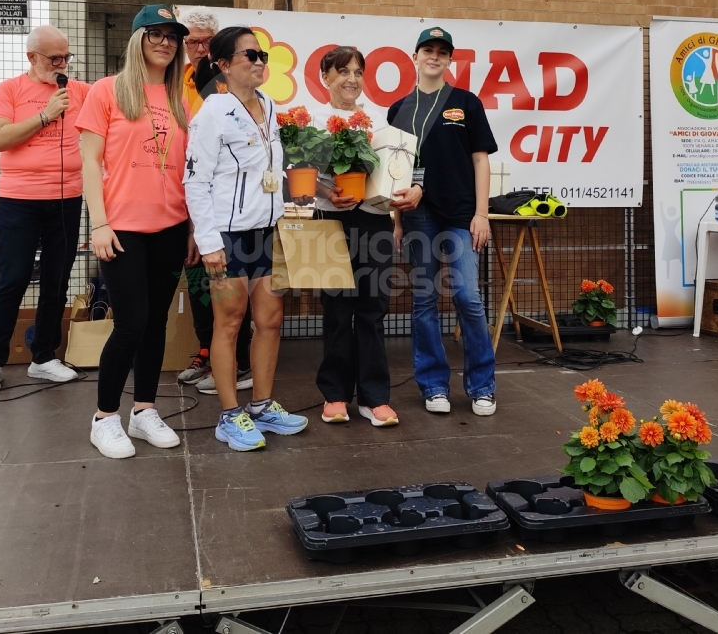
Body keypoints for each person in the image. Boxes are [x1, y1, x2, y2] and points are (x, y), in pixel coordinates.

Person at [183, 25, 308, 451]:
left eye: (262, 56)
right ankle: (229, 415)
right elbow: (195, 182)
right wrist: (209, 241)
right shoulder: (212, 111)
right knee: (229, 324)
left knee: (270, 322)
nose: (259, 62)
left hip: (268, 233)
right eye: (249, 56)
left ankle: (262, 406)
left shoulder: (270, 106)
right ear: (222, 65)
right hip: (228, 237)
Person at [77, 5, 193, 458]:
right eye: (155, 34)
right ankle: (104, 417)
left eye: (172, 36)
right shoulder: (106, 92)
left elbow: (184, 169)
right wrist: (99, 224)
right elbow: (90, 163)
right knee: (130, 324)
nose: (165, 42)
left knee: (156, 324)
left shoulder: (178, 99)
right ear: (137, 39)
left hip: (170, 226)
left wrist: (189, 228)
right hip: (122, 228)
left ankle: (143, 411)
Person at [387, 27, 499, 417]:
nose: (434, 56)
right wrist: (397, 221)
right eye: (427, 49)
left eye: (442, 51)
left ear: (450, 60)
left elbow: (481, 159)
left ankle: (482, 386)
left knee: (468, 298)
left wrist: (481, 214)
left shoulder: (466, 102)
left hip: (462, 216)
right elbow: (395, 172)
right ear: (414, 56)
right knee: (423, 301)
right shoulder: (398, 109)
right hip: (419, 218)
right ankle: (434, 385)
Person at [0, 25, 91, 393]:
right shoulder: (10, 90)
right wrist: (45, 115)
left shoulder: (80, 91)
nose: (61, 64)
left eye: (66, 57)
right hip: (19, 199)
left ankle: (43, 357)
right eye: (54, 58)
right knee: (13, 280)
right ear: (31, 57)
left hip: (67, 198)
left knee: (57, 279)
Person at [306, 47, 398, 427]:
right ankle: (336, 395)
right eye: (342, 71)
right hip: (329, 220)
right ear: (325, 77)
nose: (351, 79)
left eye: (358, 72)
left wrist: (399, 205)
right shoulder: (311, 119)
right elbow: (300, 173)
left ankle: (374, 398)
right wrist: (328, 193)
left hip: (374, 220)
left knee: (373, 311)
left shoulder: (377, 120)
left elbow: (395, 171)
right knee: (338, 310)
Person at [176, 9, 254, 393]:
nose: (199, 48)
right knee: (197, 280)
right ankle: (206, 351)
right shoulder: (179, 81)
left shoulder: (222, 84)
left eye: (207, 41)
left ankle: (236, 364)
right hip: (182, 194)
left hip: (220, 205)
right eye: (192, 41)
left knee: (230, 285)